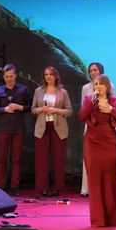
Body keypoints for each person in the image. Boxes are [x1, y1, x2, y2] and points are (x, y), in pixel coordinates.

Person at [78, 74, 116, 227]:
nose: (98, 86)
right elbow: (81, 116)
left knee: (111, 180)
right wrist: (92, 102)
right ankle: (98, 219)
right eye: (96, 84)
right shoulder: (89, 99)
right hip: (92, 143)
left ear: (107, 87)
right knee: (94, 180)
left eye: (101, 84)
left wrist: (111, 110)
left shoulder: (115, 102)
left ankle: (114, 217)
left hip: (110, 143)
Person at [0, 64, 32, 196]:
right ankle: (0, 186)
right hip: (3, 129)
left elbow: (31, 106)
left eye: (11, 76)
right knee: (1, 158)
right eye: (7, 77)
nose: (9, 79)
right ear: (3, 77)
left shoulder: (23, 90)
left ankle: (15, 186)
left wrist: (20, 107)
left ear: (15, 76)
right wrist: (4, 109)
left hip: (18, 129)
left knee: (16, 159)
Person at [32, 66, 73, 197]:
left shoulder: (63, 92)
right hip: (42, 128)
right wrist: (42, 109)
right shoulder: (38, 91)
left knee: (59, 159)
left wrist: (56, 110)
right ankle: (42, 188)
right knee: (41, 159)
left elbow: (69, 111)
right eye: (46, 74)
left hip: (58, 128)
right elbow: (33, 109)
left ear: (56, 76)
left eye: (50, 74)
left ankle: (58, 188)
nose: (48, 76)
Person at [80, 62, 116, 196]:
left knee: (106, 160)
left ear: (101, 71)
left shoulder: (111, 86)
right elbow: (83, 109)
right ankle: (87, 188)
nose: (93, 73)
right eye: (90, 71)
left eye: (95, 70)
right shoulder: (86, 88)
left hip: (106, 126)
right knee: (90, 159)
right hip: (91, 126)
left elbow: (115, 106)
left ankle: (106, 188)